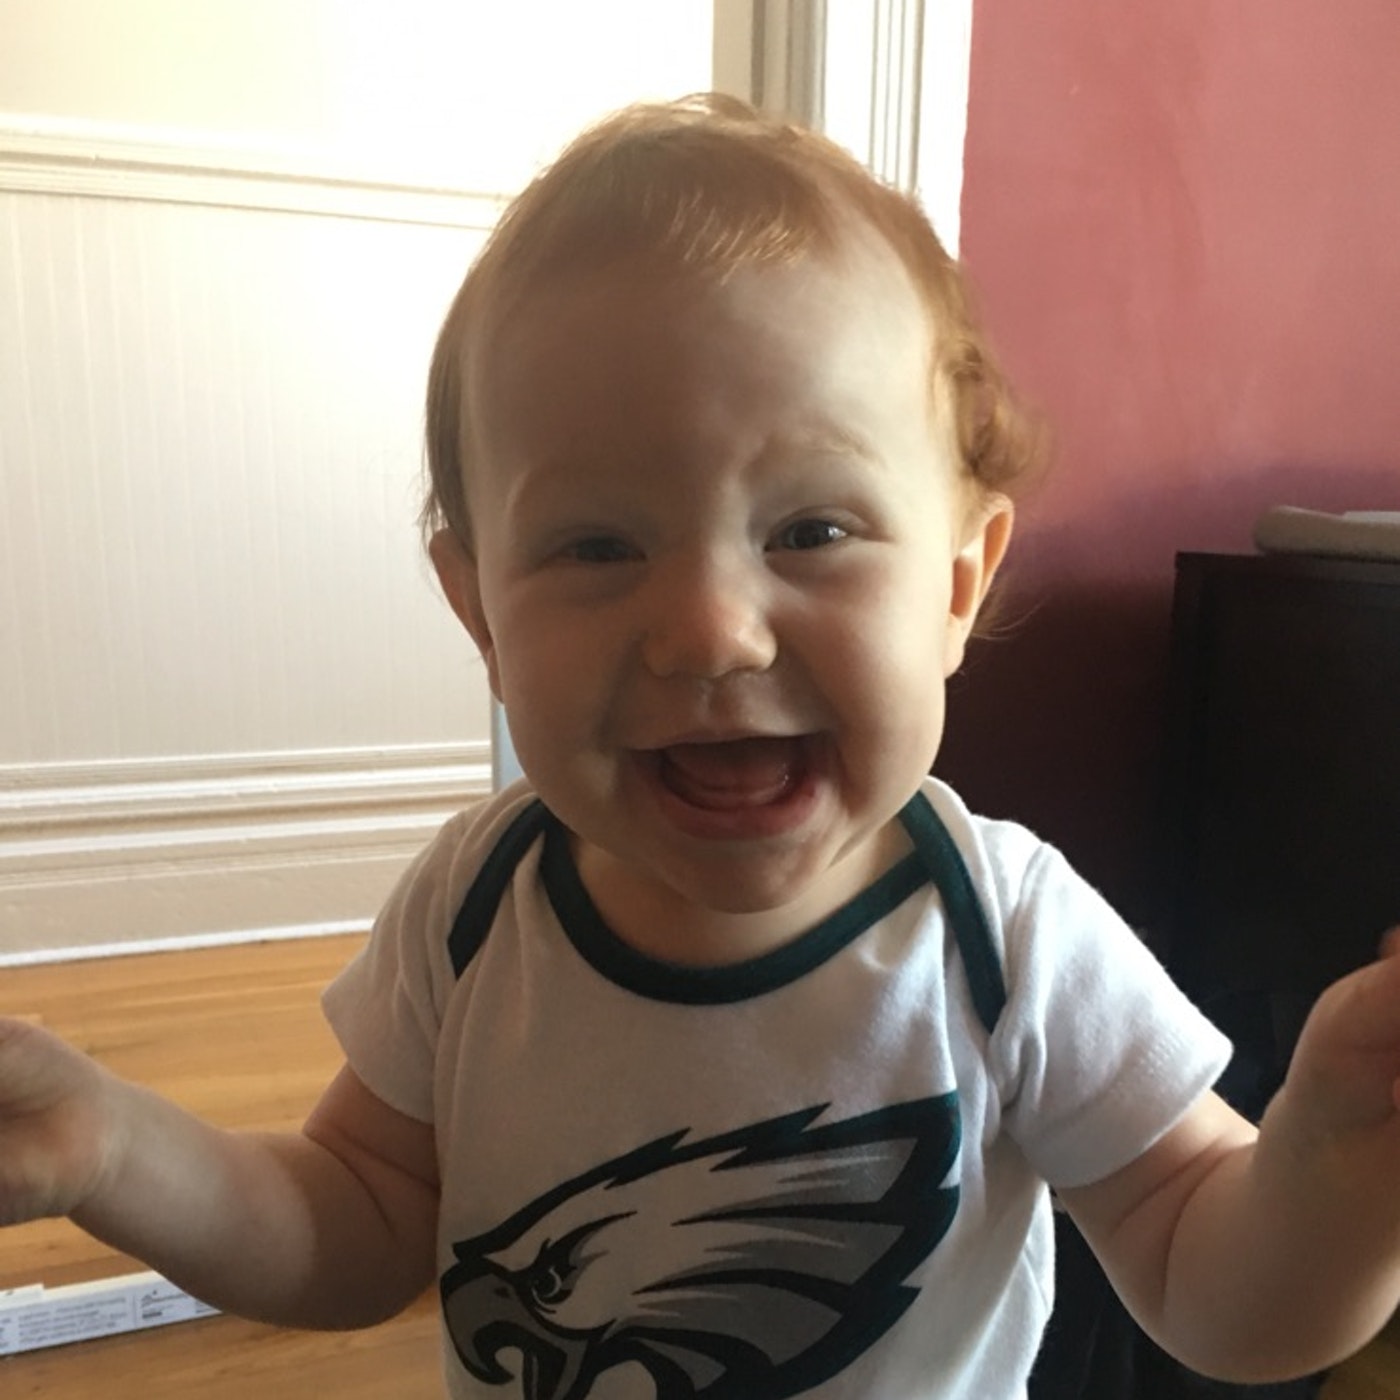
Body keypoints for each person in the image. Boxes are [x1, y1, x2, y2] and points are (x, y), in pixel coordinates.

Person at [1, 94, 1397, 1400]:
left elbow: (1221, 1293)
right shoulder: (475, 911)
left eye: (812, 531)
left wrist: (1347, 1156)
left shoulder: (1007, 938)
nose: (712, 634)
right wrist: (112, 1145)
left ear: (957, 587)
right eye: (597, 546)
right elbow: (350, 1226)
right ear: (479, 614)